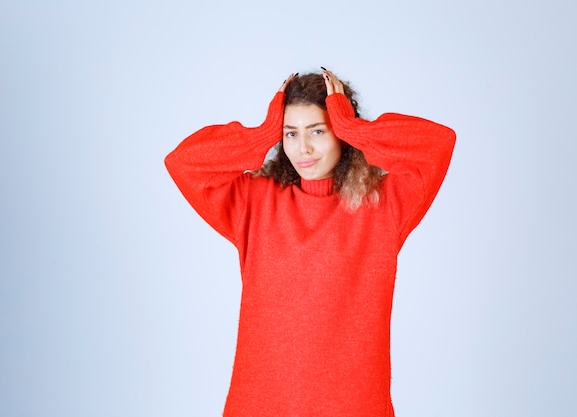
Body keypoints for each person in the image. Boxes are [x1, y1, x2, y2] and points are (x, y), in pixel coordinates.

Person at [165, 68, 456, 416]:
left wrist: (352, 128)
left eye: (318, 131)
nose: (302, 148)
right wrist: (262, 135)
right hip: (260, 406)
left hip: (354, 406)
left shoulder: (383, 205)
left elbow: (438, 143)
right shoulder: (254, 203)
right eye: (290, 133)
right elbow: (183, 163)